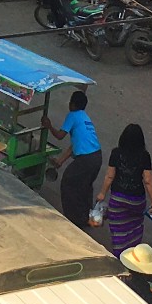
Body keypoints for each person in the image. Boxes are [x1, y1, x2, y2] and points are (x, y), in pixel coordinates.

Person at [92, 123, 152, 255]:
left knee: (118, 231)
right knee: (135, 228)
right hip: (136, 201)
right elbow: (148, 180)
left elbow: (110, 176)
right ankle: (132, 256)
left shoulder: (116, 153)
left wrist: (102, 193)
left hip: (117, 199)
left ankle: (119, 255)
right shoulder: (144, 156)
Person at [50, 89, 104, 225]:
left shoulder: (73, 115)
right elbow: (74, 145)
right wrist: (60, 161)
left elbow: (60, 136)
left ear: (72, 104)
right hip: (97, 156)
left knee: (68, 183)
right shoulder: (85, 117)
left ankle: (73, 218)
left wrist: (48, 125)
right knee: (85, 186)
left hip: (86, 159)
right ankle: (87, 216)